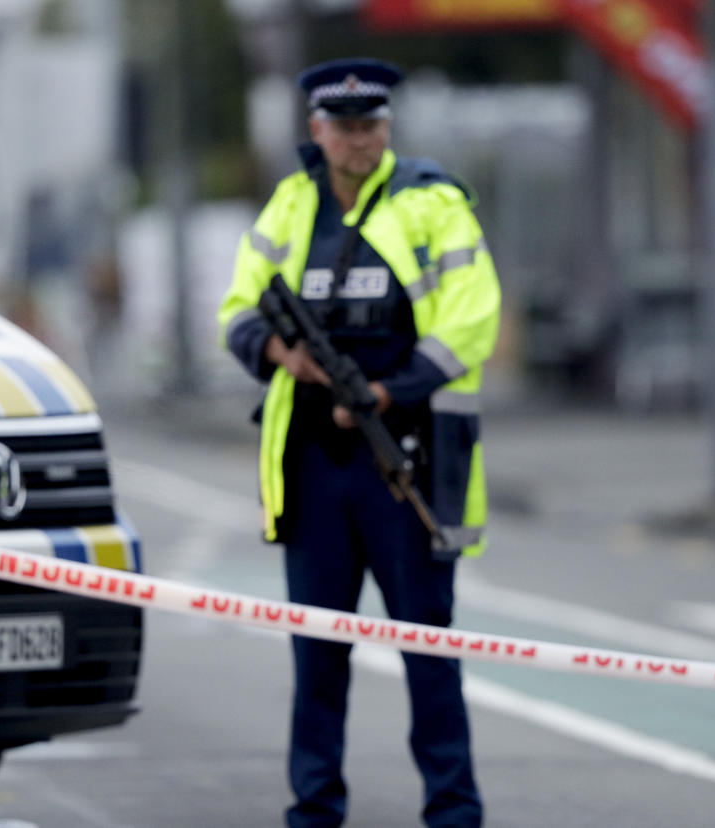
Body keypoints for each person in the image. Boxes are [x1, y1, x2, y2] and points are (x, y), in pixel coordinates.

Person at [217, 57, 500, 828]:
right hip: (311, 463)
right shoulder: (291, 204)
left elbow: (473, 316)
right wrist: (282, 355)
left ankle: (453, 810)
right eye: (343, 128)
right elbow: (239, 307)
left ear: (387, 128)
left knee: (426, 649)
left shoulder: (431, 204)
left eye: (370, 125)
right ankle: (314, 808)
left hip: (404, 453)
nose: (357, 140)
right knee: (316, 652)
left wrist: (388, 390)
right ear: (317, 131)